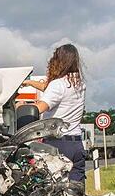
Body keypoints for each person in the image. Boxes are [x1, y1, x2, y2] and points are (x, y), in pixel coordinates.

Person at [21, 44, 87, 182]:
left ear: (58, 61)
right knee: (76, 188)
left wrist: (21, 107)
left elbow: (39, 108)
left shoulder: (57, 85)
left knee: (53, 189)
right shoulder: (79, 84)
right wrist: (30, 82)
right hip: (76, 144)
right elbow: (50, 89)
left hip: (57, 145)